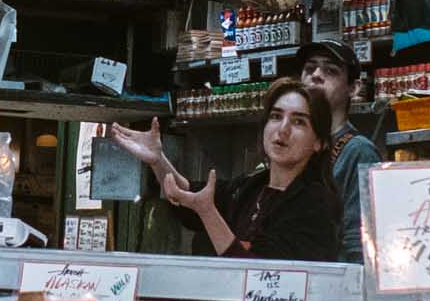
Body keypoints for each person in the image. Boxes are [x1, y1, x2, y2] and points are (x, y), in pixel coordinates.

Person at [109, 79, 341, 263]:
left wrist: (207, 212)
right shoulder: (252, 186)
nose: (283, 129)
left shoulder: (316, 203)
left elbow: (259, 275)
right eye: (276, 116)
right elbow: (188, 198)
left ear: (319, 142)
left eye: (299, 121)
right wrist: (158, 160)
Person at [292, 40, 380, 264]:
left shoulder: (358, 152)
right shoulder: (289, 145)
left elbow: (358, 249)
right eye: (309, 69)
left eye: (330, 71)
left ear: (353, 88)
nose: (316, 75)